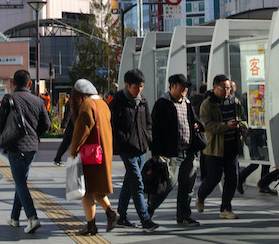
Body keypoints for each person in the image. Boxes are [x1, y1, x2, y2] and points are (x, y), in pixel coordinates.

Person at [0, 69, 50, 234]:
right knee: (21, 181)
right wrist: (36, 135)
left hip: (15, 146)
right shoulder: (38, 100)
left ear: (14, 83)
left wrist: (5, 137)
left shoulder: (9, 98)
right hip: (31, 147)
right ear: (30, 83)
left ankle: (32, 217)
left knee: (20, 182)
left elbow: (1, 122)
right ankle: (14, 218)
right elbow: (46, 124)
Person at [148, 73, 201, 227]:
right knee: (167, 183)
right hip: (171, 152)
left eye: (186, 87)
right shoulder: (162, 104)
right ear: (173, 86)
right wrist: (157, 153)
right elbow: (155, 130)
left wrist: (197, 125)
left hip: (188, 150)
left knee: (188, 184)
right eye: (182, 87)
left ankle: (184, 215)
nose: (185, 90)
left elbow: (195, 120)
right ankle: (149, 209)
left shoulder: (187, 103)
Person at [110, 69, 158, 232]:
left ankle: (121, 216)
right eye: (136, 87)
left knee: (129, 183)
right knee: (137, 183)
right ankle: (145, 218)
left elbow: (148, 123)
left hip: (141, 147)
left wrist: (148, 139)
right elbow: (114, 126)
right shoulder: (118, 101)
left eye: (141, 86)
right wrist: (125, 140)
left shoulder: (142, 100)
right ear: (127, 85)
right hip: (126, 149)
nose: (139, 90)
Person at [70, 78, 118, 235]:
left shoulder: (87, 106)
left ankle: (93, 224)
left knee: (87, 190)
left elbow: (81, 132)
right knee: (95, 188)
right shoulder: (103, 104)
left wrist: (73, 152)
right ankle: (108, 214)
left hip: (90, 155)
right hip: (103, 153)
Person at [196, 74, 248, 219]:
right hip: (214, 148)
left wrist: (243, 127)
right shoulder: (207, 104)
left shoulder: (234, 102)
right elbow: (207, 126)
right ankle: (201, 196)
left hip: (231, 146)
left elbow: (243, 118)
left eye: (229, 88)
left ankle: (225, 208)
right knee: (214, 177)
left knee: (233, 178)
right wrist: (226, 126)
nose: (227, 91)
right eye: (223, 88)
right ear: (214, 87)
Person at [53, 97, 74, 166]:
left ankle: (57, 158)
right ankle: (58, 158)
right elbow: (67, 115)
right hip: (72, 127)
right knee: (67, 143)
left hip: (71, 126)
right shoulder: (73, 102)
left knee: (66, 143)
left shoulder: (72, 101)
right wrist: (63, 126)